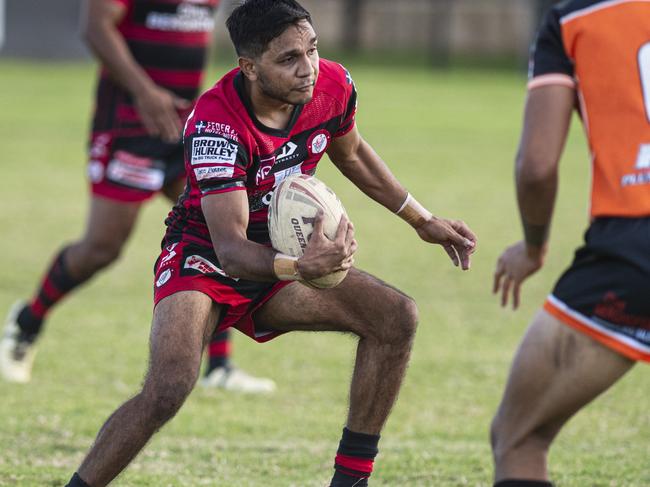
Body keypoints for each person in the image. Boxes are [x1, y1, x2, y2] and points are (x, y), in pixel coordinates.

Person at [62, 1, 477, 486]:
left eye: (313, 50)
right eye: (289, 59)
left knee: (395, 318)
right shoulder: (216, 123)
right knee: (168, 387)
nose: (308, 70)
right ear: (250, 67)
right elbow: (232, 250)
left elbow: (354, 153)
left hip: (284, 259)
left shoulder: (332, 86)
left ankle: (351, 481)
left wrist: (420, 220)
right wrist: (303, 266)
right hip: (205, 260)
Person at [0, 0, 275, 393]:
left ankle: (219, 366)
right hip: (130, 123)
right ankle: (26, 323)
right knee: (102, 247)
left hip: (186, 123)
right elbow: (95, 28)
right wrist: (145, 92)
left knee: (223, 230)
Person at [491, 1, 650, 486]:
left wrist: (534, 246)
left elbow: (536, 166)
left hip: (635, 246)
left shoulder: (575, 17)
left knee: (520, 436)